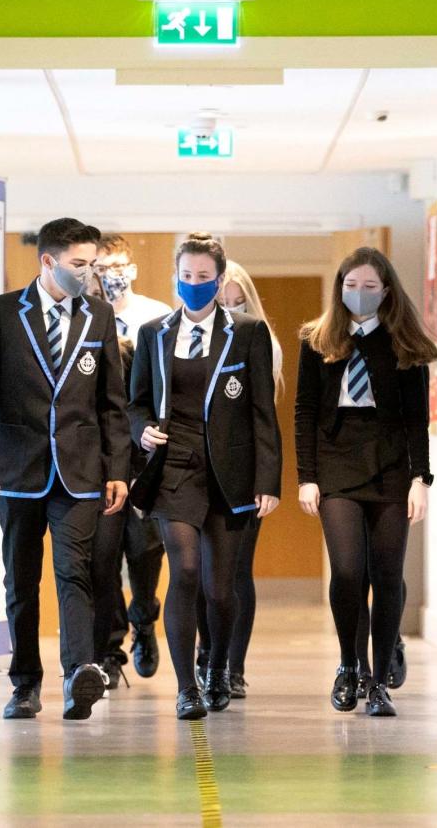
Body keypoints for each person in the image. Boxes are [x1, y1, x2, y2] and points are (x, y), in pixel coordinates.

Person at [0, 217, 130, 721]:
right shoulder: (5, 313)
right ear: (48, 262)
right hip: (18, 469)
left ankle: (79, 675)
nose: (89, 273)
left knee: (74, 569)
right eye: (79, 264)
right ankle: (25, 683)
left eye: (92, 264)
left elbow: (111, 403)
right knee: (22, 579)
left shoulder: (98, 316)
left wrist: (117, 468)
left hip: (79, 471)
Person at [129, 233, 282, 719]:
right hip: (173, 467)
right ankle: (186, 687)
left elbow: (262, 413)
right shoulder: (154, 334)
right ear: (176, 278)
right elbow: (134, 403)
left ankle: (218, 665)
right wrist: (142, 432)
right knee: (186, 571)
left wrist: (268, 481)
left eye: (203, 277)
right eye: (186, 276)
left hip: (228, 472)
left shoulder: (248, 333)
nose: (194, 285)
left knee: (220, 587)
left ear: (219, 282)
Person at [294, 246, 436, 717]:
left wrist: (421, 479)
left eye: (369, 287)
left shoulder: (404, 343)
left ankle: (379, 681)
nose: (359, 294)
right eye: (351, 286)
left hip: (391, 465)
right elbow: (305, 412)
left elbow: (418, 417)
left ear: (387, 291)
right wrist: (307, 478)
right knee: (350, 570)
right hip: (336, 466)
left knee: (387, 573)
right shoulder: (317, 339)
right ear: (339, 290)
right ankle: (348, 665)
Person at [193, 261, 284, 699]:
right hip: (196, 472)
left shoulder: (259, 339)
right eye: (222, 300)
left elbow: (265, 419)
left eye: (237, 301)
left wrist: (267, 479)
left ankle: (233, 665)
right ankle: (207, 654)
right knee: (197, 571)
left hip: (243, 475)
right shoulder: (185, 337)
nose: (229, 308)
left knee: (234, 573)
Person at [92, 235, 173, 687]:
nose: (111, 274)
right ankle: (111, 646)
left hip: (143, 454)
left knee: (143, 553)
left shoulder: (157, 317)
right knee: (102, 558)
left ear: (133, 268)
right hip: (100, 453)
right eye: (101, 267)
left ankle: (144, 620)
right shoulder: (84, 318)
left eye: (118, 264)